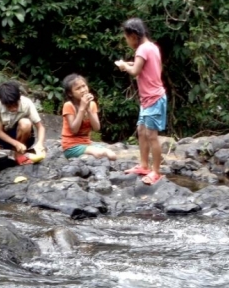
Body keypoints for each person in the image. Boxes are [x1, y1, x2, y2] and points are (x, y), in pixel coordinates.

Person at [114, 18, 167, 185]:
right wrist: (128, 63)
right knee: (141, 130)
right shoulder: (152, 47)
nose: (127, 42)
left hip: (153, 98)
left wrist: (124, 67)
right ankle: (144, 165)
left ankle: (156, 172)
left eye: (127, 38)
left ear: (134, 35)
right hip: (148, 100)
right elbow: (144, 65)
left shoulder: (142, 49)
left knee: (151, 135)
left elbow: (135, 70)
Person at [0, 80, 46, 164]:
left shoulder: (27, 103)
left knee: (26, 123)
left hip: (20, 137)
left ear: (19, 98)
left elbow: (40, 127)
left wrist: (40, 143)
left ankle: (18, 152)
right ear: (2, 102)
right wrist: (15, 143)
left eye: (15, 105)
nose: (14, 109)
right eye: (9, 106)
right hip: (2, 139)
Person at [61, 74, 117, 160]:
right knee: (99, 154)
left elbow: (97, 127)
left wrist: (89, 109)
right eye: (78, 88)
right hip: (71, 146)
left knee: (112, 155)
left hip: (86, 143)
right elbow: (74, 130)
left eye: (84, 86)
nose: (83, 90)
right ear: (70, 93)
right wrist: (82, 109)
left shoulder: (92, 104)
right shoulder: (68, 105)